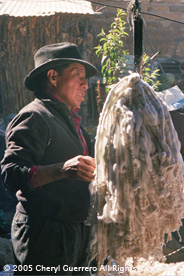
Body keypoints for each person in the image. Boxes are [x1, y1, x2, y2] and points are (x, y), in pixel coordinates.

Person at [1, 42, 97, 275]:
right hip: (45, 233)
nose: (85, 84)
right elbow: (12, 174)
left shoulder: (73, 123)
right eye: (78, 75)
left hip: (74, 230)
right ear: (53, 77)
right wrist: (62, 169)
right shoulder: (35, 116)